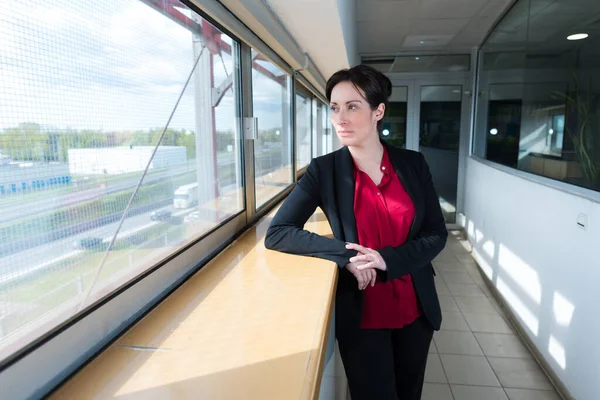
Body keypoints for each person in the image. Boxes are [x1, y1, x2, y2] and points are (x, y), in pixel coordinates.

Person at [264, 64, 447, 400]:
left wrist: (386, 260)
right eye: (334, 107)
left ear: (378, 111)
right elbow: (278, 232)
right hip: (363, 313)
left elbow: (436, 233)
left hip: (414, 306)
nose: (340, 119)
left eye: (352, 106)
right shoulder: (325, 170)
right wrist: (345, 255)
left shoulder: (413, 164)